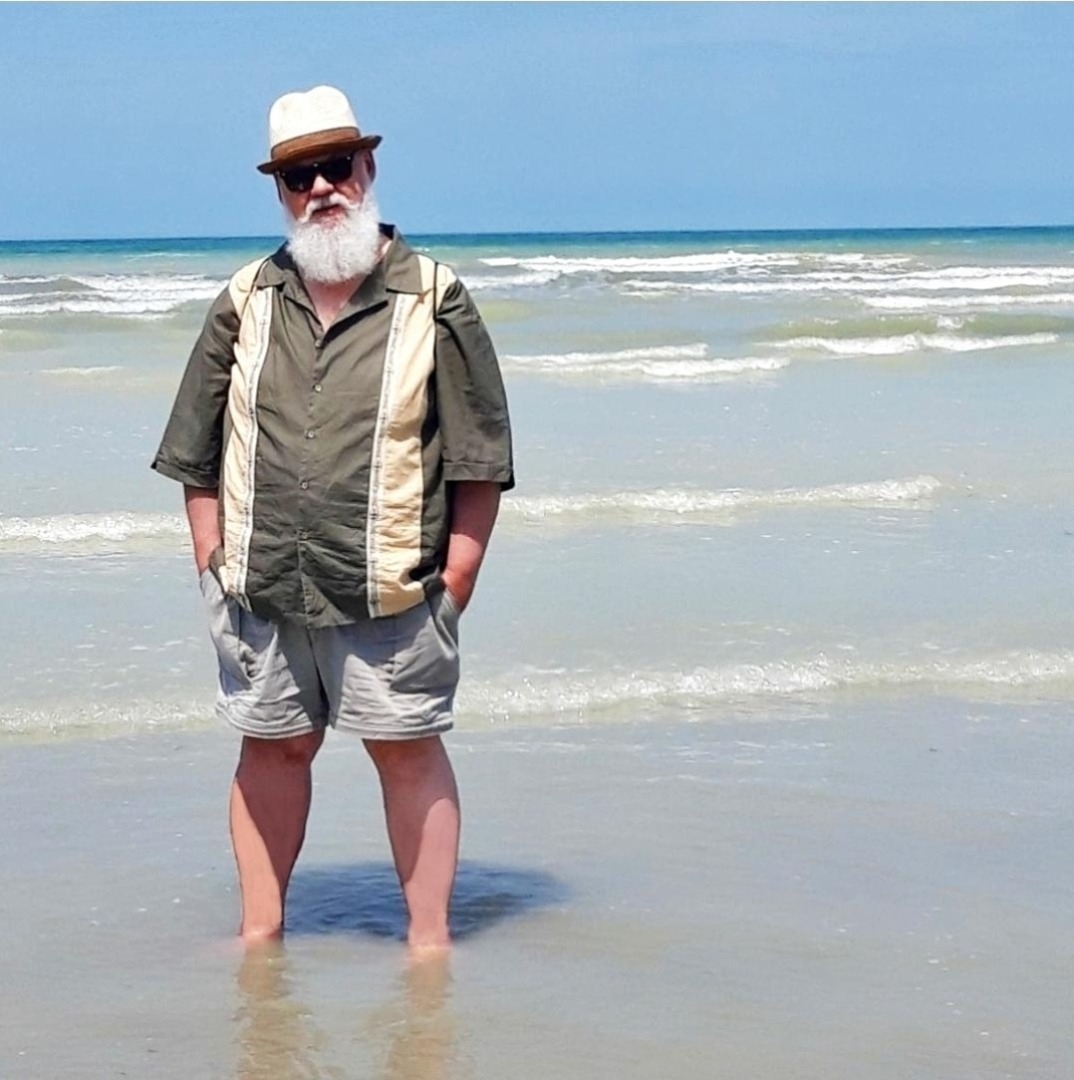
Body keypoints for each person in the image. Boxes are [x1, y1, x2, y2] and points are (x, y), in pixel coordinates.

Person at [152, 85, 514, 950]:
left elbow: (480, 459)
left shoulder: (435, 298)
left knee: (407, 752)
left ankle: (429, 949)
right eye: (298, 176)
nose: (321, 189)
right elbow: (194, 450)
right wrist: (211, 563)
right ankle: (259, 936)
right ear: (279, 190)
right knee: (272, 751)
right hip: (262, 590)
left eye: (336, 166)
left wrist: (457, 580)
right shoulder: (244, 299)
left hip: (396, 591)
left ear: (368, 167)